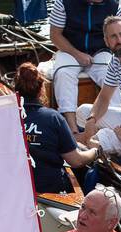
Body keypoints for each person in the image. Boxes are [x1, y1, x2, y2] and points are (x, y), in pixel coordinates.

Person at [16, 63, 98, 193]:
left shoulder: (8, 118)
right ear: (42, 89)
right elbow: (76, 161)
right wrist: (95, 151)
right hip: (51, 190)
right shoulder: (53, 118)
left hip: (18, 189)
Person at [77, 16, 121, 158]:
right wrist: (92, 119)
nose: (119, 40)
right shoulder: (115, 61)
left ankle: (95, 145)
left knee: (99, 139)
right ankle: (94, 143)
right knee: (83, 112)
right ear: (107, 42)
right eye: (113, 36)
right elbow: (104, 97)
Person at [49, 0, 120, 132]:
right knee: (63, 73)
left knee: (113, 74)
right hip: (69, 49)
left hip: (100, 51)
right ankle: (72, 129)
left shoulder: (114, 5)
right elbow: (55, 35)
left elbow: (119, 38)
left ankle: (114, 129)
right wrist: (77, 54)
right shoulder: (63, 3)